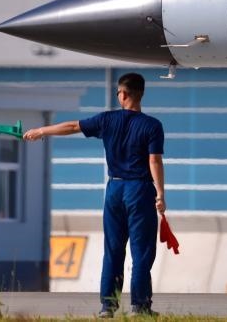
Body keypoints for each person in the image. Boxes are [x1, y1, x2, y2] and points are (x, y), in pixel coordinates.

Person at [23, 72, 165, 317]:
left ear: (123, 94)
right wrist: (160, 194)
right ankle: (140, 307)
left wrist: (41, 131)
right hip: (140, 190)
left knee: (113, 250)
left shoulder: (107, 120)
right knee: (141, 252)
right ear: (140, 94)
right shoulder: (152, 125)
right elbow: (154, 161)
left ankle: (108, 306)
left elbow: (72, 126)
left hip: (114, 189)